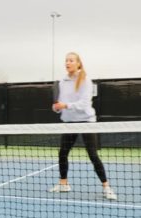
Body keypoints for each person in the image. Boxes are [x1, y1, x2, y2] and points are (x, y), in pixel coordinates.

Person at [50, 52, 117, 200]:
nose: (68, 63)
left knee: (92, 155)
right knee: (63, 153)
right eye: (66, 60)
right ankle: (64, 184)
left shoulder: (86, 80)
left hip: (86, 122)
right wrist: (57, 107)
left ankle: (106, 187)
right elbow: (59, 106)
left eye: (71, 60)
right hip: (69, 122)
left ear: (78, 63)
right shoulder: (62, 82)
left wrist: (65, 105)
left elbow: (84, 104)